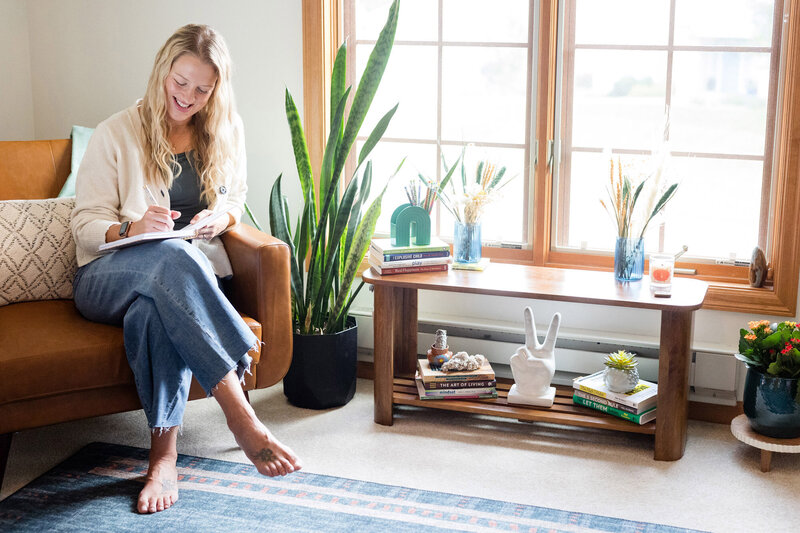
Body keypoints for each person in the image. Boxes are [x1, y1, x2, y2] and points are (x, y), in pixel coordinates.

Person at [70, 24, 302, 514]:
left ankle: (163, 458)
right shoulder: (117, 132)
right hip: (107, 276)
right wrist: (133, 228)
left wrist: (222, 216)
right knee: (171, 258)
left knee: (154, 312)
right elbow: (85, 226)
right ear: (163, 71)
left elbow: (234, 196)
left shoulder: (224, 128)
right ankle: (240, 413)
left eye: (202, 89)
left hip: (175, 285)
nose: (188, 97)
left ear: (216, 89)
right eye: (180, 82)